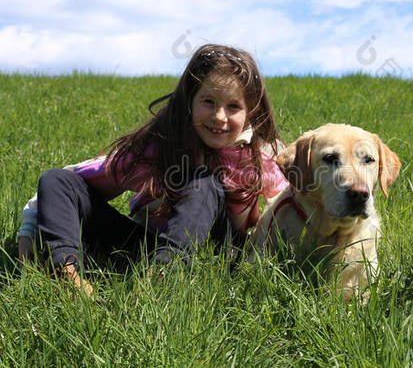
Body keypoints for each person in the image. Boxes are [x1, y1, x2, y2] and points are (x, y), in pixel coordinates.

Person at [17, 44, 289, 294]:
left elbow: (291, 201)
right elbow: (70, 182)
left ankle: (162, 277)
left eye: (233, 106)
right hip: (145, 248)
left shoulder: (259, 156)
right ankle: (68, 275)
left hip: (220, 252)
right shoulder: (161, 147)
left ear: (250, 111)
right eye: (208, 101)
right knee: (56, 178)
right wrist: (29, 225)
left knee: (204, 182)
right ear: (189, 102)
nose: (219, 117)